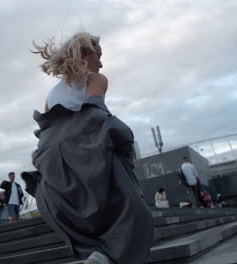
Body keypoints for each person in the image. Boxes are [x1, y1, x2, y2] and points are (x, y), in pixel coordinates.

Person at [27, 31, 153, 264]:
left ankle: (99, 256)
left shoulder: (52, 93)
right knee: (134, 209)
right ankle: (109, 255)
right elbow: (94, 112)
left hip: (54, 158)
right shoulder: (95, 79)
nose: (101, 63)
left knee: (83, 214)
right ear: (86, 53)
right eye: (99, 55)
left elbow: (47, 127)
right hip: (85, 145)